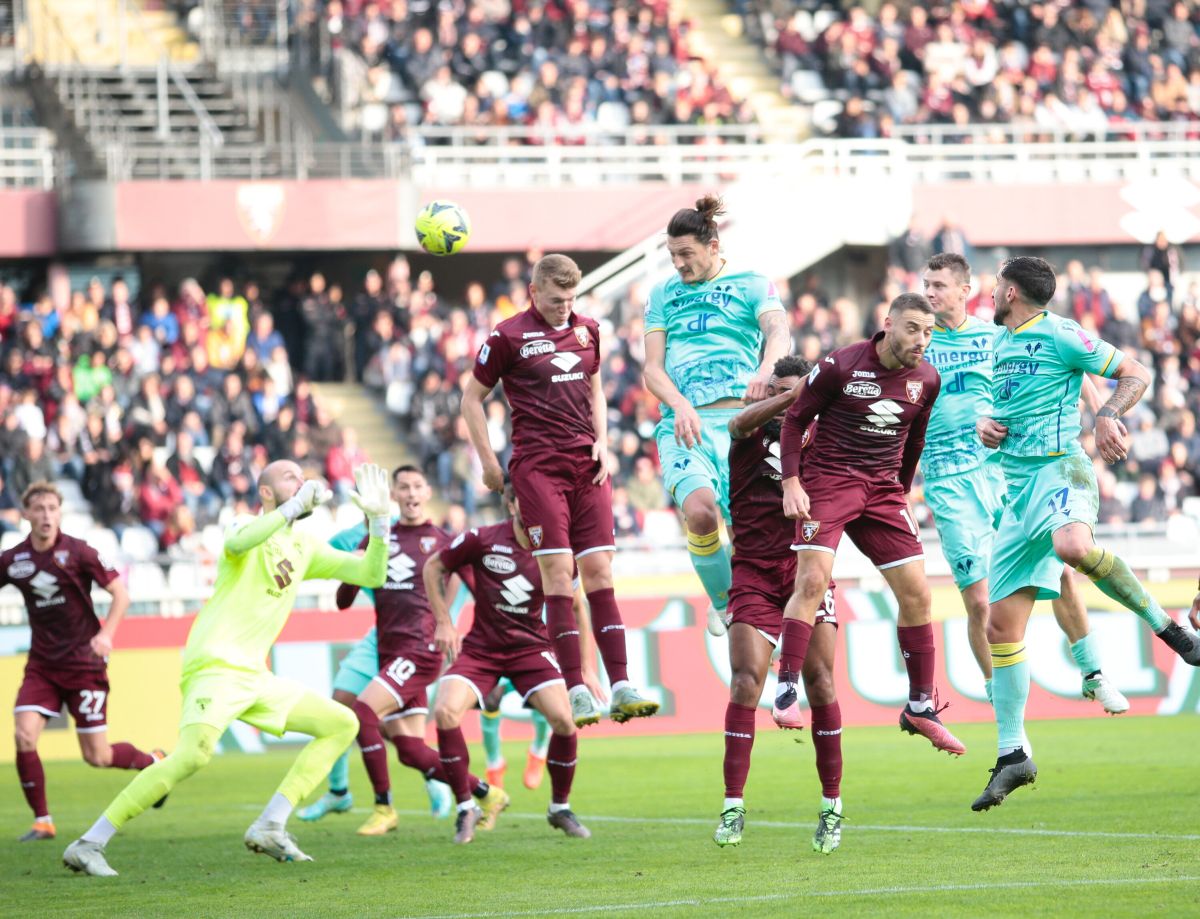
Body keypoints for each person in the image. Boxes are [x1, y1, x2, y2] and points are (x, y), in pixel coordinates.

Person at [62, 463, 393, 876]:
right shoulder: (244, 523)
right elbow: (239, 542)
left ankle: (270, 825)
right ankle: (89, 843)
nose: (302, 481)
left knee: (341, 723)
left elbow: (371, 574)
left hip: (254, 676)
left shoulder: (305, 544)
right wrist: (291, 508)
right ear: (266, 493)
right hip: (216, 665)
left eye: (302, 475)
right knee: (192, 756)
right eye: (290, 477)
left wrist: (379, 524)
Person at [971, 257, 1200, 811]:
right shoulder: (998, 344)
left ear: (1009, 292)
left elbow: (1136, 372)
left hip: (1061, 471)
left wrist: (1105, 415)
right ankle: (1012, 755)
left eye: (996, 286)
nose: (992, 294)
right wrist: (985, 425)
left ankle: (1168, 629)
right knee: (1000, 627)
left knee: (1072, 546)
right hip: (1016, 491)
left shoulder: (1062, 333)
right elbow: (993, 411)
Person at [920, 254, 1128, 715]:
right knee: (979, 600)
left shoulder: (994, 334)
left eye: (938, 285)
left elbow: (1070, 365)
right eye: (925, 285)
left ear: (964, 290)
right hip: (948, 480)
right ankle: (1000, 698)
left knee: (1062, 569)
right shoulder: (917, 342)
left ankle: (1093, 673)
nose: (929, 293)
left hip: (1004, 470)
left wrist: (1101, 412)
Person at [461, 253, 657, 728]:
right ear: (534, 292)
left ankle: (621, 685)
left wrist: (603, 442)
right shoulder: (506, 337)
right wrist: (489, 463)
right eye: (555, 300)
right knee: (558, 573)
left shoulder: (588, 330)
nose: (564, 308)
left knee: (600, 569)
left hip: (587, 467)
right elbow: (470, 399)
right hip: (538, 471)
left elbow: (596, 389)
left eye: (570, 299)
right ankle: (575, 689)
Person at [775, 293, 966, 756]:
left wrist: (901, 490)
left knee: (918, 594)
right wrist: (791, 482)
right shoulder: (841, 365)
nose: (922, 340)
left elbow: (914, 439)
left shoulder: (928, 379)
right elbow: (795, 420)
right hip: (828, 482)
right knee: (813, 582)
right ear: (888, 324)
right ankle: (785, 688)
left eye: (929, 332)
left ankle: (920, 706)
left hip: (882, 490)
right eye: (913, 329)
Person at [642, 196, 790, 637]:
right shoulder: (662, 294)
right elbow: (652, 369)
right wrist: (680, 404)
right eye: (672, 255)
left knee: (749, 539)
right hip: (685, 427)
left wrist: (767, 370)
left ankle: (760, 625)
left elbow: (778, 330)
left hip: (742, 428)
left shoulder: (752, 283)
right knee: (701, 513)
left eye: (686, 254)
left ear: (713, 245)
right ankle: (726, 604)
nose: (678, 264)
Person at [713, 357, 845, 854]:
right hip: (753, 575)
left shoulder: (825, 440)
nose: (787, 401)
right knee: (746, 680)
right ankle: (732, 805)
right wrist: (792, 396)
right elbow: (736, 422)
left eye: (796, 392)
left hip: (806, 574)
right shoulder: (750, 435)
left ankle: (831, 806)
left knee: (821, 681)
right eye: (777, 392)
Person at [332, 465, 498, 837]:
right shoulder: (378, 538)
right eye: (403, 487)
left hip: (421, 651)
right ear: (393, 495)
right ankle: (487, 793)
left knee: (362, 713)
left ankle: (383, 807)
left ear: (427, 493)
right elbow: (343, 601)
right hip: (390, 652)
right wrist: (358, 564)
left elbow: (481, 591)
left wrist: (463, 633)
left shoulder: (444, 541)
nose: (410, 493)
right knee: (409, 749)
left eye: (417, 486)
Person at [425, 483, 589, 844]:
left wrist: (587, 670)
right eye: (526, 502)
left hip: (531, 649)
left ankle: (559, 808)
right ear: (511, 504)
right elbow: (433, 566)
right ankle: (466, 806)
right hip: (481, 649)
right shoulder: (481, 539)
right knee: (445, 712)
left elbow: (578, 606)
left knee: (565, 719)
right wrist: (443, 621)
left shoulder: (557, 549)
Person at [3, 482, 164, 843]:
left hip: (84, 665)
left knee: (98, 756)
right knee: (24, 734)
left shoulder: (79, 552)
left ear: (60, 512)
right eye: (39, 509)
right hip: (42, 666)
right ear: (26, 514)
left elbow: (121, 594)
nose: (46, 515)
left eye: (52, 508)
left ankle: (154, 762)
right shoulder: (14, 560)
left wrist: (107, 635)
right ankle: (43, 821)